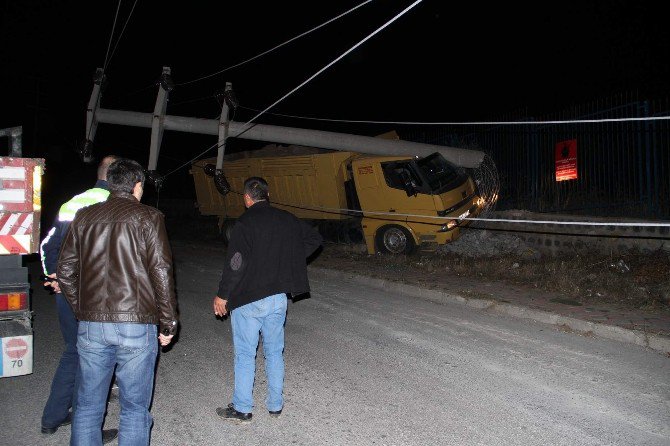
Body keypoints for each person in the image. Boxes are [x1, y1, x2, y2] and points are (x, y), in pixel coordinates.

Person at [58, 158, 179, 446]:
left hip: (92, 324)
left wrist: (82, 309)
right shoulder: (149, 217)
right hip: (136, 325)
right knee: (134, 408)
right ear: (138, 185)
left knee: (87, 407)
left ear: (111, 183)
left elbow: (64, 270)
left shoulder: (84, 217)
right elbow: (161, 271)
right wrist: (168, 322)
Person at [212, 176, 322, 423]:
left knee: (245, 355)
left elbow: (236, 263)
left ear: (246, 198)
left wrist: (223, 295)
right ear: (267, 195)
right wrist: (291, 258)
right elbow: (315, 239)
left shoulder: (245, 223)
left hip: (249, 299)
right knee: (274, 353)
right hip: (277, 299)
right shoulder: (287, 219)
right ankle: (275, 405)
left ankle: (242, 408)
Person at [40, 155, 119, 443]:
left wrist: (54, 277)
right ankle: (87, 433)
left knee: (73, 351)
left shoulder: (73, 202)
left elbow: (49, 244)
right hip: (95, 295)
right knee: (95, 358)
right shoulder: (117, 206)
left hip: (66, 292)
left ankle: (53, 416)